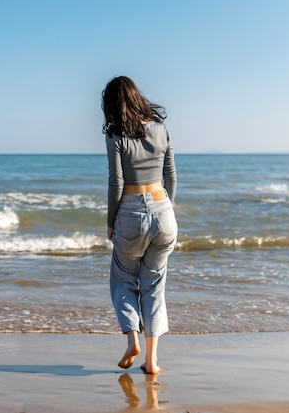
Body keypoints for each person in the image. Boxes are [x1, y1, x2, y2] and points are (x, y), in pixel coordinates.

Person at [102, 76, 177, 374]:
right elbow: (171, 175)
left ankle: (131, 338)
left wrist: (111, 222)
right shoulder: (161, 129)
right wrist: (166, 208)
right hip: (163, 210)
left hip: (131, 213)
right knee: (155, 286)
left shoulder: (115, 136)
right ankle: (152, 360)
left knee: (122, 280)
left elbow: (116, 183)